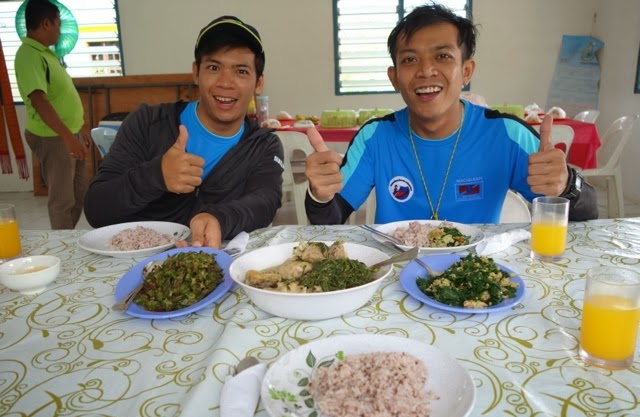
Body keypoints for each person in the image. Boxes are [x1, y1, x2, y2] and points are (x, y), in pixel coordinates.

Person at [304, 3, 597, 225]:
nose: (425, 71)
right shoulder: (375, 137)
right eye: (409, 59)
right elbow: (330, 219)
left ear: (466, 70)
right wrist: (319, 195)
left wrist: (567, 184)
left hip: (478, 281)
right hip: (395, 278)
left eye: (442, 56)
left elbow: (586, 216)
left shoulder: (507, 134)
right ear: (394, 78)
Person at [84, 16, 283, 248]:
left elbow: (265, 201)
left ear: (258, 83)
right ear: (196, 72)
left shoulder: (263, 145)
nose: (226, 83)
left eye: (241, 71)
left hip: (214, 266)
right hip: (139, 267)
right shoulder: (148, 122)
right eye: (214, 67)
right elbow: (96, 209)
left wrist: (218, 218)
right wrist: (156, 175)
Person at [15, 0, 91, 229]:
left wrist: (80, 128)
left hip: (69, 133)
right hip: (53, 137)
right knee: (62, 200)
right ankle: (63, 252)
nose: (60, 31)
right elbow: (39, 100)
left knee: (79, 194)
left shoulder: (47, 55)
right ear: (46, 23)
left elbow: (62, 96)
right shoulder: (29, 55)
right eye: (58, 25)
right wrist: (68, 137)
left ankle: (67, 238)